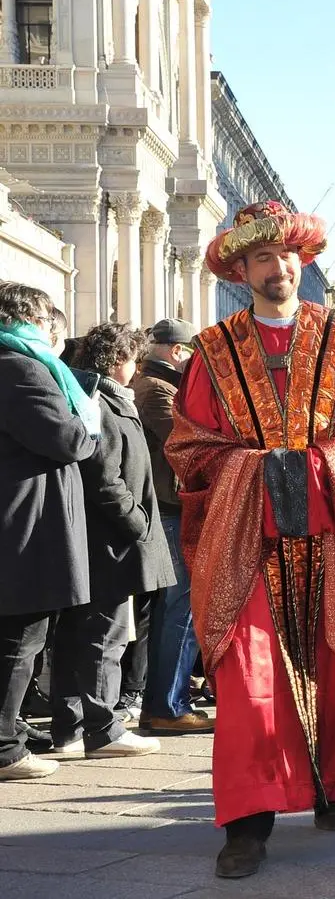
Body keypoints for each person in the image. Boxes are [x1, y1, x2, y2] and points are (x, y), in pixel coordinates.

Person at [166, 201, 335, 879]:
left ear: (303, 261)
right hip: (246, 541)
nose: (278, 267)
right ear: (241, 270)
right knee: (249, 679)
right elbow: (189, 445)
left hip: (328, 533)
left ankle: (325, 780)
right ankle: (246, 821)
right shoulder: (213, 349)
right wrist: (257, 470)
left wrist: (319, 466)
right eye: (262, 258)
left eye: (287, 255)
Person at [48, 324, 174, 765]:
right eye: (132, 360)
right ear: (117, 360)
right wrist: (137, 523)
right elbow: (106, 478)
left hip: (102, 539)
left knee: (80, 634)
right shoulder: (101, 403)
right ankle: (102, 729)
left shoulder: (101, 398)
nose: (136, 369)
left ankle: (69, 729)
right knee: (106, 634)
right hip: (110, 541)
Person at [0, 283, 100, 781]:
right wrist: (87, 410)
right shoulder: (19, 367)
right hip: (24, 522)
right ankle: (4, 749)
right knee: (21, 635)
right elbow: (71, 440)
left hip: (21, 517)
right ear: (33, 322)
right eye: (48, 323)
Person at [130, 318, 213, 736]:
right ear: (177, 351)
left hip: (174, 507)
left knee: (178, 607)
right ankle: (167, 704)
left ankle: (163, 702)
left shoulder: (164, 387)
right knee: (181, 606)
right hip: (169, 510)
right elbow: (185, 441)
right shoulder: (156, 389)